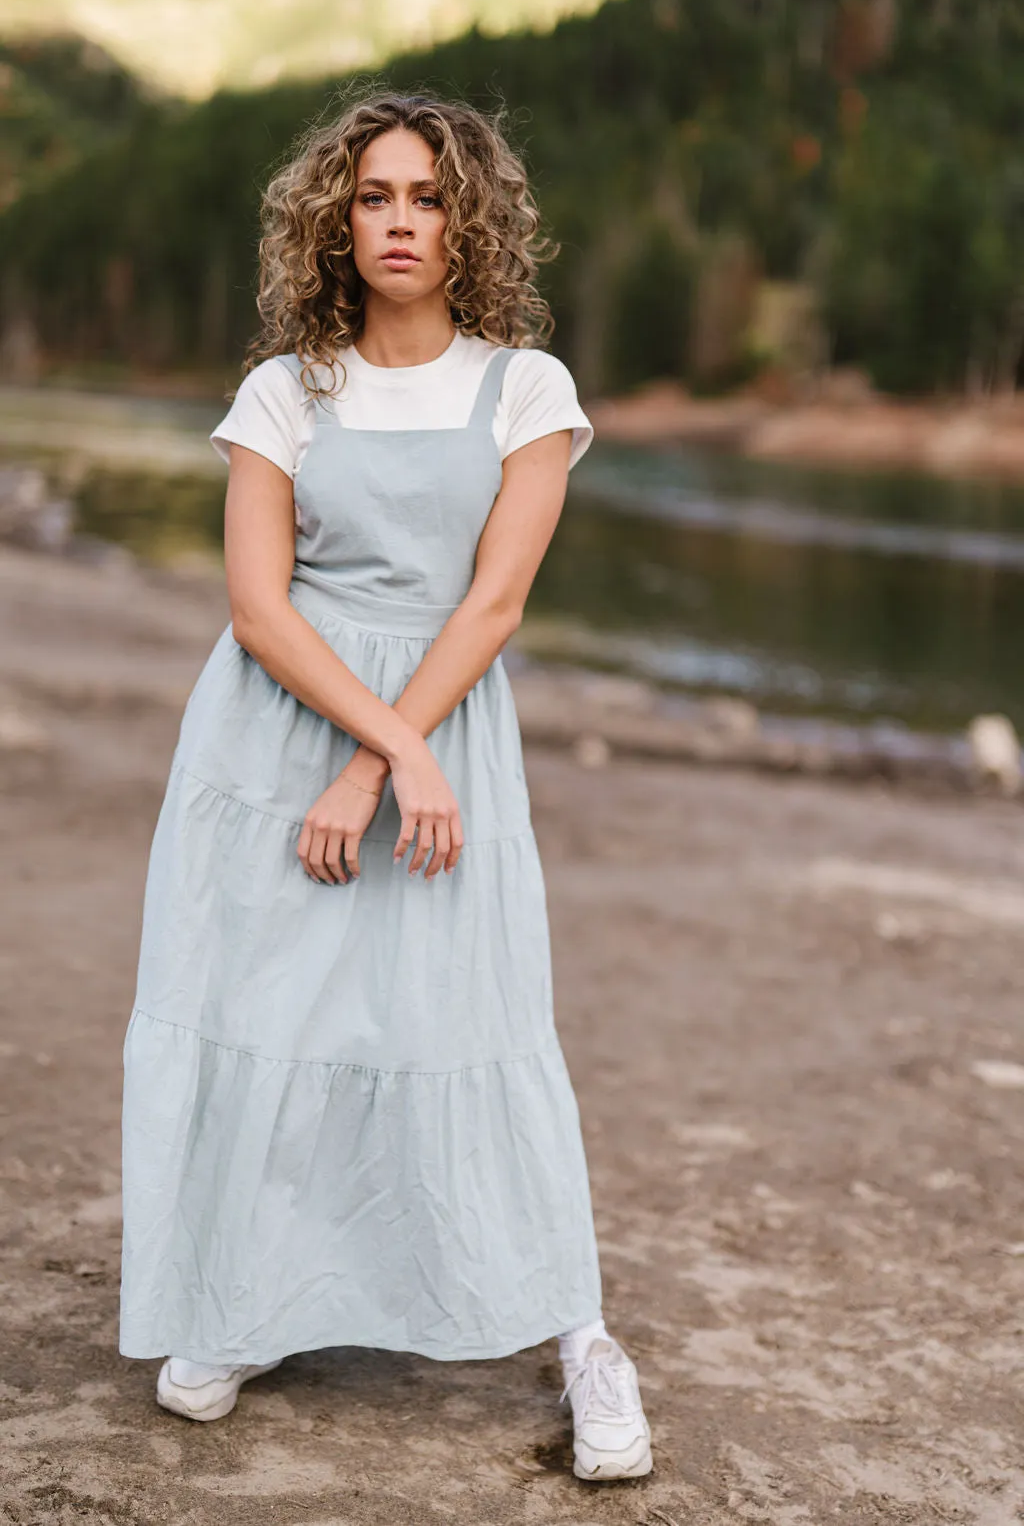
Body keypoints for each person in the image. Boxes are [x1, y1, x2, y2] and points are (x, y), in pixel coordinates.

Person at [118, 87, 652, 1482]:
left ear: (466, 217)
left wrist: (386, 761)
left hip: (432, 738)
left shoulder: (524, 388)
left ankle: (583, 1340)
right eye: (372, 197)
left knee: (476, 1017)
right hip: (268, 734)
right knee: (273, 1011)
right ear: (336, 222)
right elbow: (256, 604)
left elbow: (489, 607)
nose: (399, 220)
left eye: (423, 196)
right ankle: (238, 1302)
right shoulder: (285, 390)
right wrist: (384, 748)